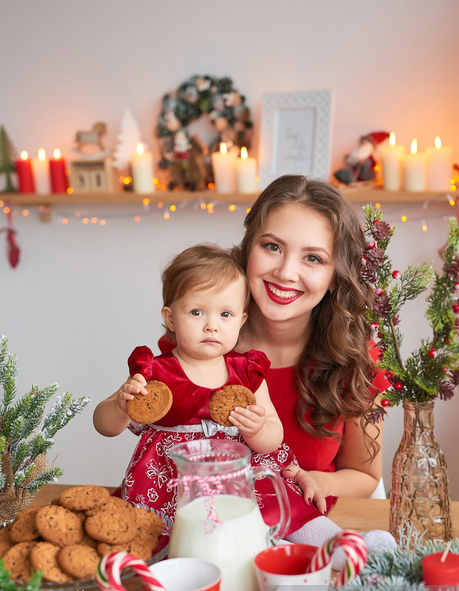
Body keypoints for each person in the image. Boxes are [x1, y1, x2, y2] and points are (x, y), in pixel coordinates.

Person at [230, 174, 394, 556]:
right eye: (272, 246)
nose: (286, 272)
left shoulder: (357, 361)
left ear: (336, 276)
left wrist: (317, 480)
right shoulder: (203, 340)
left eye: (313, 258)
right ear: (247, 248)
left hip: (312, 540)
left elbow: (365, 476)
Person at [93, 243, 286, 518]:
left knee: (253, 526)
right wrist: (120, 409)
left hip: (228, 483)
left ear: (242, 320)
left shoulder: (247, 374)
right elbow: (103, 425)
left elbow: (274, 436)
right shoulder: (153, 372)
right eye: (197, 312)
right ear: (170, 319)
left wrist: (256, 431)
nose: (212, 325)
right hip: (165, 486)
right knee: (158, 540)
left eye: (225, 314)